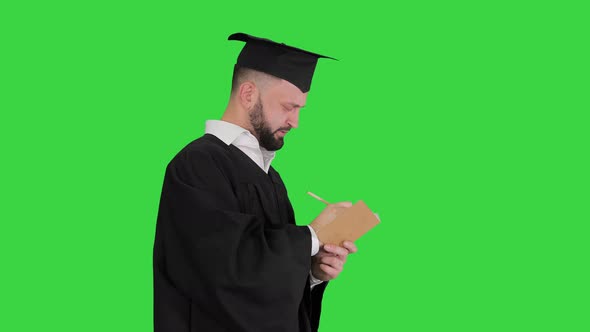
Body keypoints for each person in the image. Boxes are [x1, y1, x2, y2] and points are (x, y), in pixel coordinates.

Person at [153, 32, 358, 332]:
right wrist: (312, 237)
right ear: (248, 94)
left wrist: (311, 273)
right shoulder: (197, 165)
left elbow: (264, 290)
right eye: (289, 106)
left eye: (300, 109)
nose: (295, 122)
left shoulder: (270, 178)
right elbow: (225, 269)